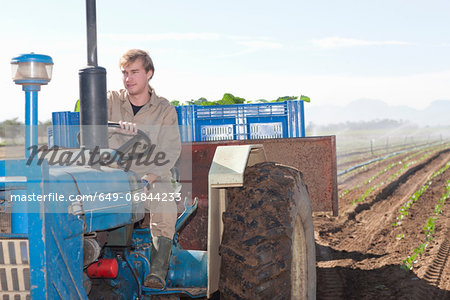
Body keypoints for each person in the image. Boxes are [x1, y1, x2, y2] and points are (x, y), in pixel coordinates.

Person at [107, 49, 181, 289]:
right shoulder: (110, 101)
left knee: (164, 203)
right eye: (125, 73)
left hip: (150, 177)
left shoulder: (164, 109)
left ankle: (158, 269)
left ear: (149, 74)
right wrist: (116, 132)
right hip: (114, 175)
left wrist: (148, 179)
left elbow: (170, 151)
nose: (128, 78)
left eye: (135, 72)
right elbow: (90, 137)